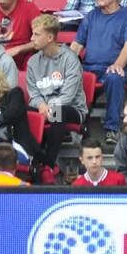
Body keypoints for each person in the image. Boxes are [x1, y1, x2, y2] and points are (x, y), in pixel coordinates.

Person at [63, 0, 127, 145]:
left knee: (114, 76)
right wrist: (64, 66)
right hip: (90, 68)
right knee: (65, 76)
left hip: (116, 68)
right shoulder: (91, 16)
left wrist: (117, 65)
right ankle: (66, 126)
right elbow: (76, 45)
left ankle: (112, 129)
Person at [25, 14, 87, 171]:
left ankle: (48, 165)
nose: (32, 38)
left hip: (71, 108)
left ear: (50, 37)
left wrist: (49, 107)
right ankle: (35, 159)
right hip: (43, 108)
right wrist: (41, 105)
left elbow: (68, 95)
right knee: (19, 111)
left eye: (37, 34)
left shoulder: (70, 59)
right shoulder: (33, 62)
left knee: (58, 112)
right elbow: (33, 93)